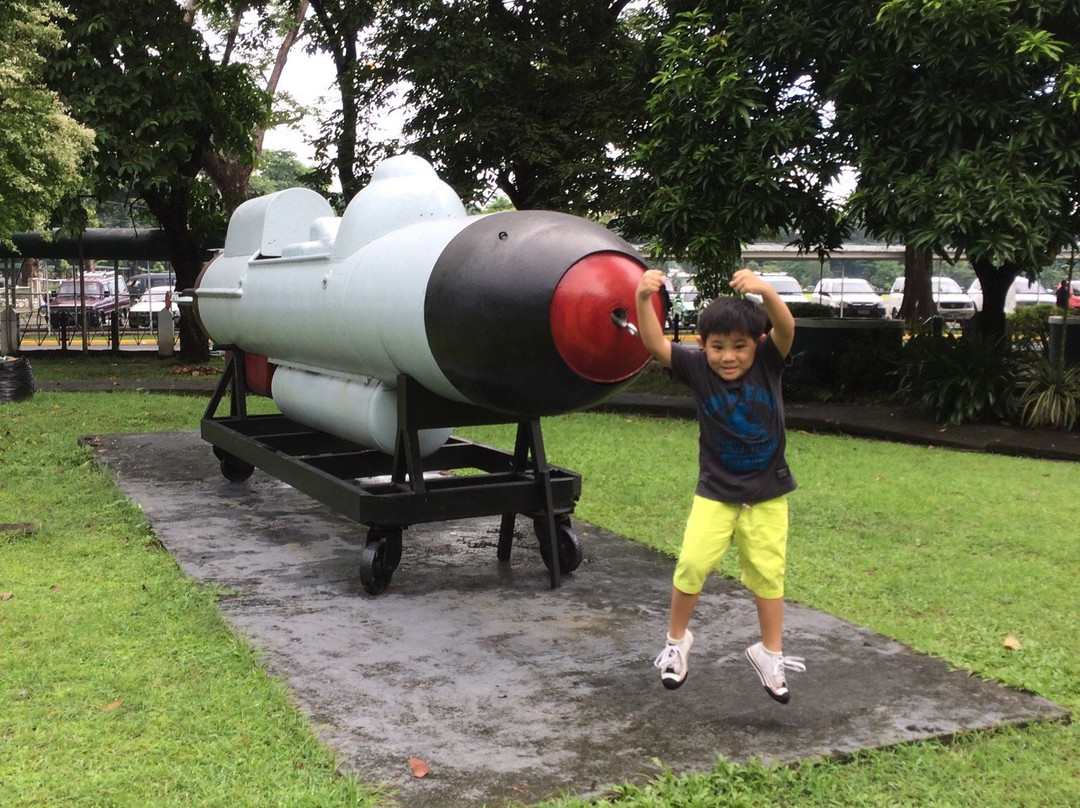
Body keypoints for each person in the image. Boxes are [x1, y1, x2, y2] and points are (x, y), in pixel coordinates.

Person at [635, 267, 805, 704]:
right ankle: (676, 644)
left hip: (767, 492)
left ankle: (770, 653)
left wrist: (766, 291)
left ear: (757, 345)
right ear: (702, 345)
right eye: (717, 347)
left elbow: (786, 327)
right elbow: (655, 344)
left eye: (739, 347)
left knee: (769, 575)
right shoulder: (697, 367)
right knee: (691, 563)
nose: (728, 357)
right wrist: (641, 299)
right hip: (715, 490)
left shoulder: (769, 362)